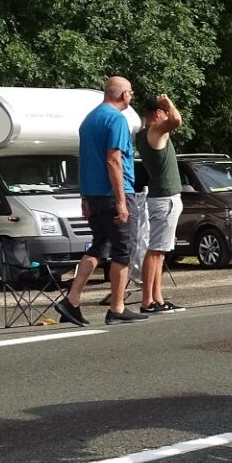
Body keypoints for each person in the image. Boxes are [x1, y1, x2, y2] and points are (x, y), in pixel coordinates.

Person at [61, 77, 149, 326]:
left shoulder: (89, 120)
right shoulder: (116, 119)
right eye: (130, 93)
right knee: (123, 251)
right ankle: (117, 308)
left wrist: (85, 196)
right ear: (123, 95)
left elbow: (83, 159)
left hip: (95, 196)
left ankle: (72, 299)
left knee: (98, 246)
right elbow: (113, 160)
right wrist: (121, 201)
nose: (131, 97)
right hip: (115, 195)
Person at [136, 95, 185, 315]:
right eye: (163, 112)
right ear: (157, 114)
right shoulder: (154, 131)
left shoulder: (147, 133)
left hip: (165, 199)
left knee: (160, 252)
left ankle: (158, 298)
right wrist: (169, 105)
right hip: (164, 200)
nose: (166, 116)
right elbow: (176, 121)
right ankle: (147, 301)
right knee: (155, 251)